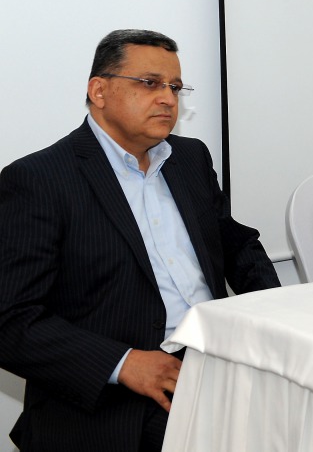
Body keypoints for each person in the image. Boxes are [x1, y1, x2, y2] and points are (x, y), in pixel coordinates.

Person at [0, 30, 280, 452]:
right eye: (149, 83)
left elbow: (236, 244)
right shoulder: (38, 180)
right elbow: (11, 321)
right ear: (99, 90)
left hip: (215, 360)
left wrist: (280, 313)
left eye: (175, 87)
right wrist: (123, 363)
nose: (169, 98)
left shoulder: (189, 158)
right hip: (114, 393)